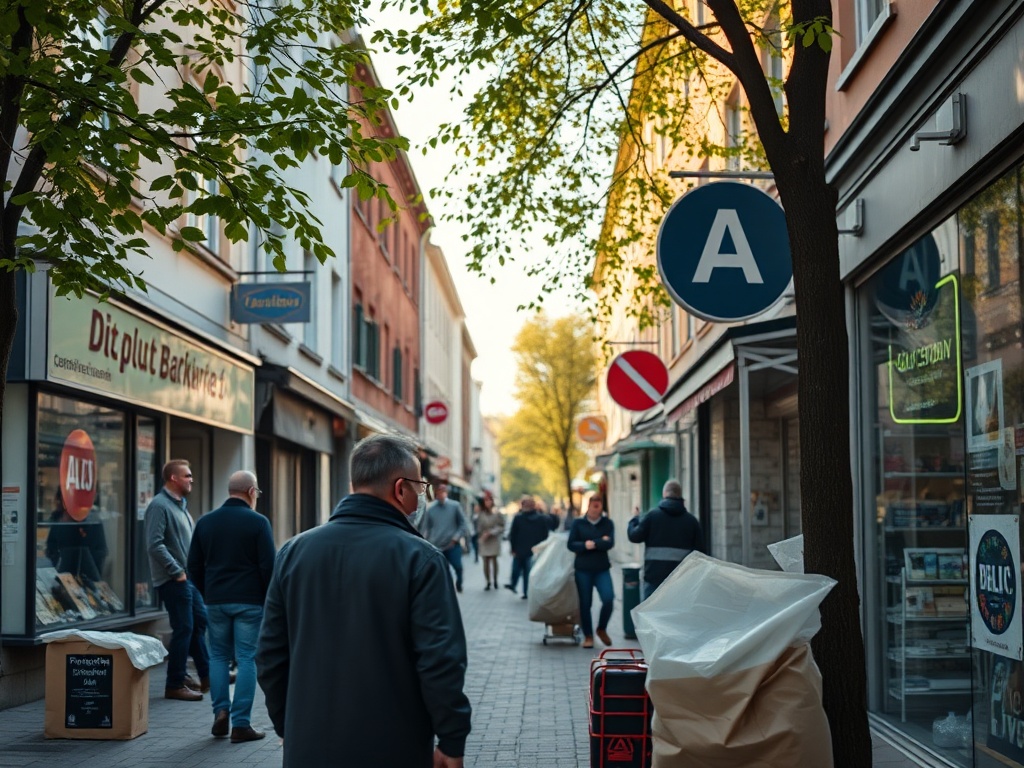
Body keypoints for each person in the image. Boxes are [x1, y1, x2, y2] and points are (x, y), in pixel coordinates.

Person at [256, 434, 471, 768]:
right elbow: (440, 661)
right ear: (401, 488)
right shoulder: (421, 559)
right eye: (420, 488)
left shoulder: (294, 552)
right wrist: (452, 739)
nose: (421, 497)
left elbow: (270, 654)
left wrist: (289, 725)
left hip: (308, 747)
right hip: (395, 745)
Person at [187, 470, 275, 743]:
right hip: (250, 602)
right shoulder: (258, 523)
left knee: (218, 657)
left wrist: (208, 593)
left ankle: (220, 712)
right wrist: (266, 598)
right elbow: (268, 566)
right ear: (251, 492)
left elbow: (193, 566)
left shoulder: (206, 522)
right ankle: (241, 724)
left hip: (216, 600)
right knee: (248, 657)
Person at [145, 459, 210, 701]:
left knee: (199, 622)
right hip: (173, 579)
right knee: (184, 628)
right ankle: (174, 684)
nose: (191, 479)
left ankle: (206, 674)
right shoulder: (159, 506)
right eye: (187, 475)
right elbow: (154, 544)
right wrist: (176, 571)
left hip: (186, 579)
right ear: (173, 478)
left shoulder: (181, 506)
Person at [627, 480, 706, 600]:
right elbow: (700, 553)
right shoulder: (692, 521)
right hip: (681, 582)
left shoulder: (652, 516)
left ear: (664, 494)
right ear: (680, 496)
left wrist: (635, 519)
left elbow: (634, 536)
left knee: (651, 617)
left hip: (654, 579)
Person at [568, 495, 615, 649]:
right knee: (585, 604)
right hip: (583, 569)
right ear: (588, 506)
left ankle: (601, 628)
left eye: (599, 505)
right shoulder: (578, 523)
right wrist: (584, 545)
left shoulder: (607, 523)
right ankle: (588, 636)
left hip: (602, 568)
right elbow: (571, 544)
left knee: (608, 598)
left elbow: (609, 543)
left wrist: (593, 543)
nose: (597, 509)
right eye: (594, 505)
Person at [420, 482, 473, 593]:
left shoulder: (455, 506)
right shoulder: (431, 510)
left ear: (446, 493)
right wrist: (426, 542)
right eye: (439, 492)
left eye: (443, 492)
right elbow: (426, 528)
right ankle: (446, 588)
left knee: (458, 567)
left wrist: (456, 537)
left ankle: (459, 583)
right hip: (437, 545)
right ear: (436, 494)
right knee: (442, 569)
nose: (441, 494)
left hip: (453, 544)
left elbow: (463, 524)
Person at [46, 490, 108, 582]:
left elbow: (101, 551)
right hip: (63, 576)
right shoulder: (59, 520)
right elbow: (51, 547)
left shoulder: (91, 521)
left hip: (88, 577)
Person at [505, 495, 552, 599]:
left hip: (521, 550)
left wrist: (513, 548)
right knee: (527, 572)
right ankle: (525, 591)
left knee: (519, 570)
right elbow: (545, 535)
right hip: (532, 550)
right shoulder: (541, 518)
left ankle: (516, 586)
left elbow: (513, 534)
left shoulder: (519, 518)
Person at [475, 491, 505, 590]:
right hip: (484, 539)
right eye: (486, 501)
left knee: (494, 560)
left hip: (493, 539)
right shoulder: (481, 514)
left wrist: (492, 532)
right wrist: (481, 534)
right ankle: (488, 581)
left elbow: (502, 526)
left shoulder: (497, 513)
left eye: (489, 500)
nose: (487, 503)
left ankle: (495, 580)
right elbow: (478, 527)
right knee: (485, 561)